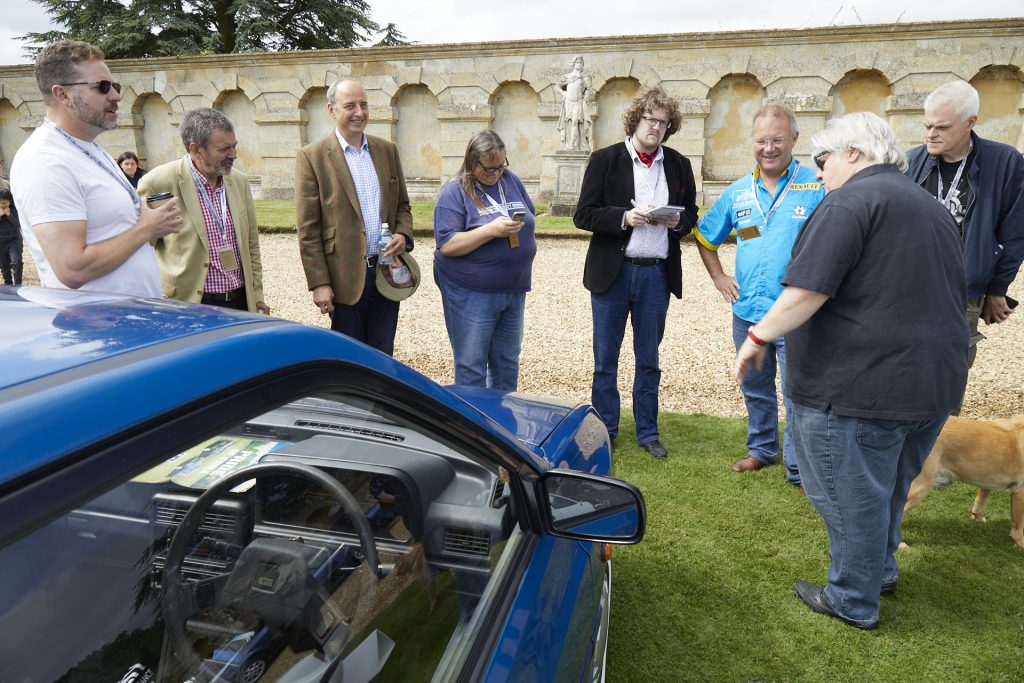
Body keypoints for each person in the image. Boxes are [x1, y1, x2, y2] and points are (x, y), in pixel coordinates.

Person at [734, 112, 968, 630]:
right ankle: (878, 571)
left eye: (823, 161)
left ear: (855, 154)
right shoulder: (930, 207)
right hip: (931, 385)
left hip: (862, 387)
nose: (818, 174)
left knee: (848, 494)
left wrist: (756, 337)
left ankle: (852, 599)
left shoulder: (850, 201)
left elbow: (807, 290)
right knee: (886, 485)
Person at [696, 103, 825, 483]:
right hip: (748, 311)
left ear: (795, 140)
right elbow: (705, 237)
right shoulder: (738, 192)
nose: (769, 148)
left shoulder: (816, 186)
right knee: (755, 386)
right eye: (761, 141)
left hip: (797, 314)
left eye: (777, 140)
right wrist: (719, 276)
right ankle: (762, 449)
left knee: (798, 393)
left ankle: (799, 467)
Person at [573, 86, 699, 459]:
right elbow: (583, 215)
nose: (656, 128)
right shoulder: (605, 159)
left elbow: (691, 214)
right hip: (614, 272)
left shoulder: (678, 164)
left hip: (655, 275)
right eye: (650, 119)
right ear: (635, 119)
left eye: (663, 123)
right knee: (605, 359)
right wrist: (623, 217)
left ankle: (648, 432)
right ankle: (606, 430)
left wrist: (677, 222)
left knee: (649, 360)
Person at [9, 41, 181, 296]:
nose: (116, 96)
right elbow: (72, 270)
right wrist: (146, 228)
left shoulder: (89, 147)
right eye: (102, 87)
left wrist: (145, 219)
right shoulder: (45, 161)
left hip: (128, 320)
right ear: (62, 94)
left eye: (114, 86)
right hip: (99, 327)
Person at [905, 80, 1024, 392]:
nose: (931, 134)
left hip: (963, 291)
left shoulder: (1005, 162)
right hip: (909, 289)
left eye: (941, 127)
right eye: (927, 125)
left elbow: (1014, 233)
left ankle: (944, 436)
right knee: (905, 370)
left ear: (971, 122)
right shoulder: (909, 164)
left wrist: (997, 289)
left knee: (949, 375)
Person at [296, 77, 413, 356]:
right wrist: (319, 283)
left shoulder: (387, 151)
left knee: (384, 354)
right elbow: (308, 229)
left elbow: (403, 207)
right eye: (350, 105)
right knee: (349, 358)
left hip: (387, 272)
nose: (359, 112)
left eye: (364, 105)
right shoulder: (312, 157)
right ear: (331, 110)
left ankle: (381, 400)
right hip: (343, 278)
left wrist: (402, 235)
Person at [433, 130, 536, 390]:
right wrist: (490, 231)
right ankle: (472, 429)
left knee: (507, 363)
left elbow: (530, 215)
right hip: (471, 290)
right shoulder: (455, 191)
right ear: (472, 161)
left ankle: (500, 427)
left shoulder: (510, 180)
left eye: (501, 166)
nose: (496, 173)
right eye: (490, 168)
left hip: (513, 288)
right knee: (471, 364)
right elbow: (447, 244)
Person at [138, 108, 268, 313]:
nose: (233, 155)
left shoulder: (239, 181)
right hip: (188, 304)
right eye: (224, 149)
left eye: (234, 146)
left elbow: (252, 245)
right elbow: (142, 249)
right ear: (196, 149)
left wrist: (257, 295)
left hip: (241, 302)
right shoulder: (158, 183)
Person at [558, 56, 594, 152]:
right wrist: (563, 93)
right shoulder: (567, 76)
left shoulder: (585, 77)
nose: (580, 64)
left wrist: (586, 98)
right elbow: (557, 87)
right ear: (573, 64)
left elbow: (590, 91)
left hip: (578, 103)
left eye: (581, 62)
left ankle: (572, 145)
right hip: (568, 103)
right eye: (578, 62)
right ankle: (570, 144)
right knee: (569, 124)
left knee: (575, 122)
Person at [0, 188, 23, 285]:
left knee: (16, 261)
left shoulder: (15, 209)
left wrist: (9, 216)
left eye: (4, 203)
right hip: (0, 241)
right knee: (4, 266)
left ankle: (18, 285)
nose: (1, 205)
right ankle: (8, 285)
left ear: (10, 202)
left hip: (14, 239)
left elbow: (18, 225)